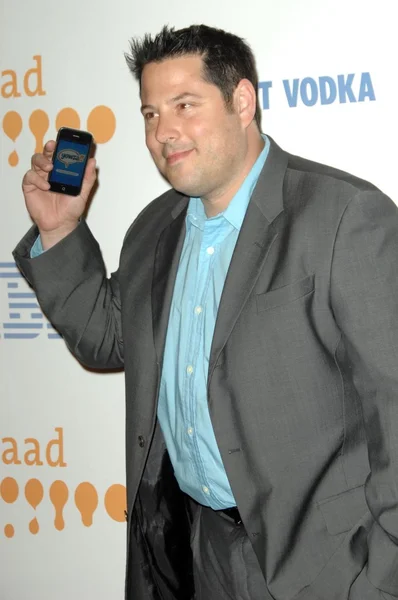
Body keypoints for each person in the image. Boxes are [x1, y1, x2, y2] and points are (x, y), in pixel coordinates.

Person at [13, 23, 398, 600]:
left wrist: (379, 579)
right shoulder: (152, 229)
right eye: (149, 114)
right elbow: (106, 339)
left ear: (242, 102)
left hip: (325, 564)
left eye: (184, 105)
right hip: (199, 550)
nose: (163, 132)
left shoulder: (344, 217)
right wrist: (61, 228)